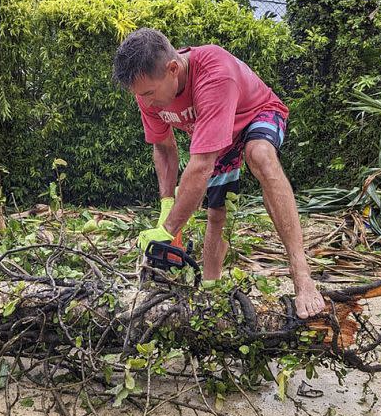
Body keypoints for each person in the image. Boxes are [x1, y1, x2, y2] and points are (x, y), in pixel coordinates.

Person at [112, 28, 325, 319]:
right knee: (216, 211)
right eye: (140, 95)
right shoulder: (147, 90)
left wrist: (168, 230)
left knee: (260, 155)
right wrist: (165, 211)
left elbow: (200, 166)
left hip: (257, 113)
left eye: (149, 93)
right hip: (216, 132)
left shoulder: (214, 74)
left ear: (173, 69)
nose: (146, 103)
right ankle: (210, 293)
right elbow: (164, 149)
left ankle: (302, 277)